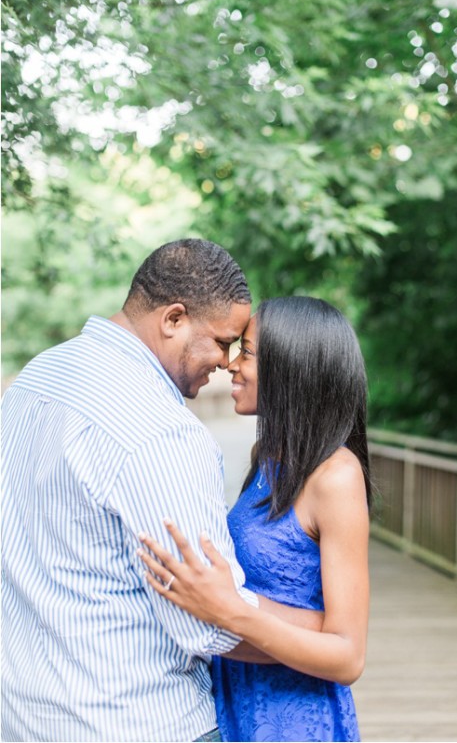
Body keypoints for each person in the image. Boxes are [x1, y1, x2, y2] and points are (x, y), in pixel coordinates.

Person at [1, 239, 321, 742]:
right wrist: (323, 630)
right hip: (135, 720)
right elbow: (209, 624)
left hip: (24, 718)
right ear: (173, 319)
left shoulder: (35, 380)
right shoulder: (162, 432)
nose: (225, 362)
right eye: (221, 341)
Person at [137, 296, 370, 742]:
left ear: (291, 367)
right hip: (232, 701)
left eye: (246, 351)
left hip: (294, 718)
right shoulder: (268, 458)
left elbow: (348, 655)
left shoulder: (336, 475)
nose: (231, 365)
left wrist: (231, 611)